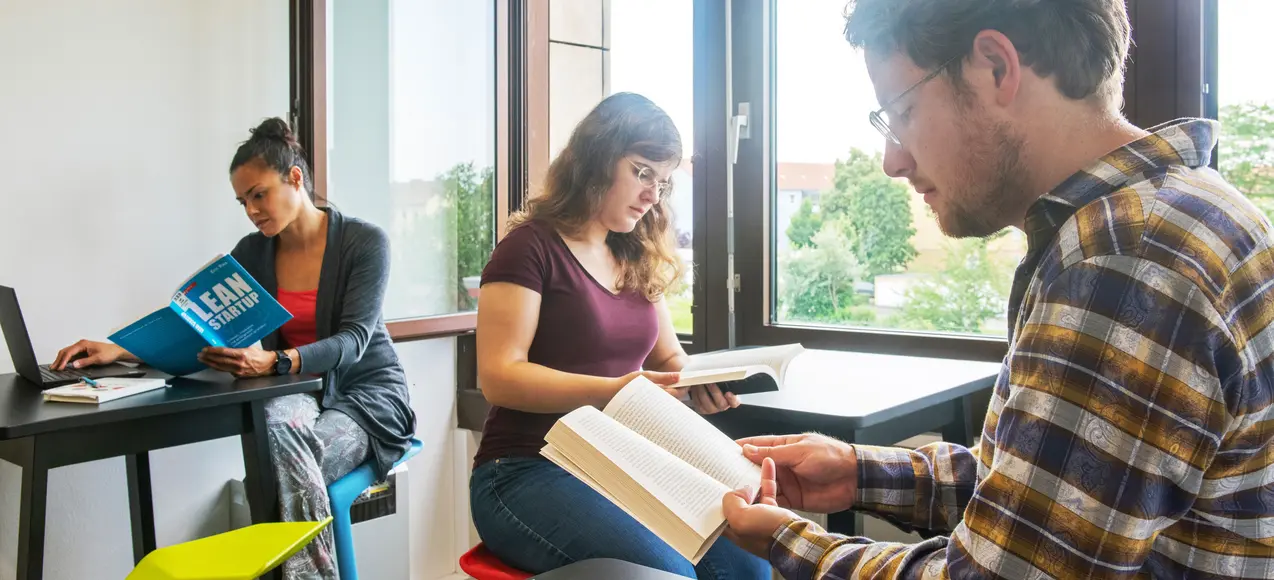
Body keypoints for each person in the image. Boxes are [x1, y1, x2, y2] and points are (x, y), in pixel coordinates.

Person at [721, 0, 1274, 578]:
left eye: (900, 112)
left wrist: (793, 544)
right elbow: (1058, 494)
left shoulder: (1122, 260)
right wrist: (860, 471)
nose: (892, 161)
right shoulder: (1188, 209)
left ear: (995, 68)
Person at [51, 117, 416, 580]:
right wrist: (118, 350)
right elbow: (201, 328)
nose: (251, 211)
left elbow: (354, 341)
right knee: (274, 435)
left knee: (274, 475)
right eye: (243, 201)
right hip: (298, 390)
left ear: (295, 178)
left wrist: (279, 360)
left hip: (367, 396)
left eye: (258, 194)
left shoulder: (364, 242)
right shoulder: (252, 252)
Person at [469, 92, 771, 579]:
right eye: (643, 172)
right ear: (596, 159)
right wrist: (617, 390)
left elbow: (671, 358)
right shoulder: (529, 248)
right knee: (672, 575)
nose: (653, 194)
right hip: (524, 470)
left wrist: (702, 386)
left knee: (750, 565)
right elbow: (500, 378)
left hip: (621, 466)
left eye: (664, 181)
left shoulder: (634, 255)